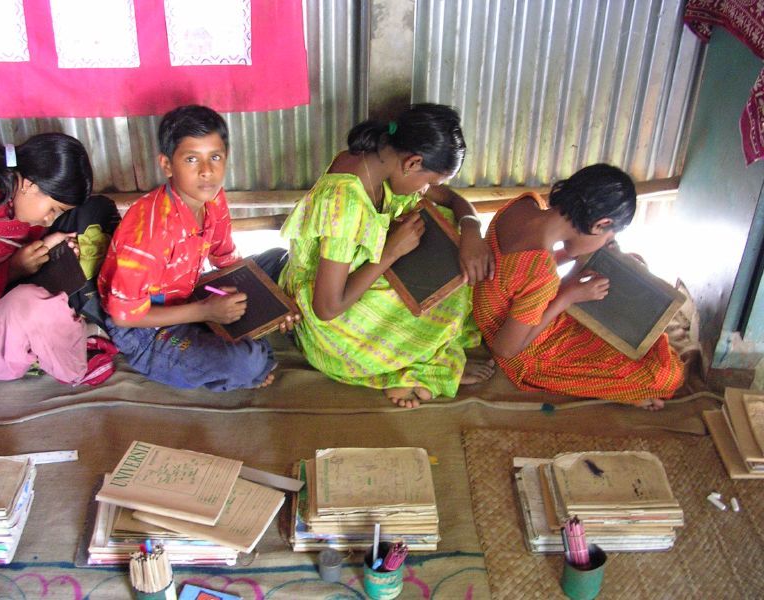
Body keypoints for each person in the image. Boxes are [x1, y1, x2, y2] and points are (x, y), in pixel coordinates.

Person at [279, 103, 496, 408]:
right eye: (429, 181)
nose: (427, 189)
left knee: (453, 250)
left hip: (361, 272)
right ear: (413, 163)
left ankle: (422, 352)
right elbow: (326, 308)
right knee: (444, 289)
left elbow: (451, 200)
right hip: (328, 323)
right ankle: (416, 370)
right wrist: (391, 252)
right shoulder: (347, 202)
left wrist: (472, 229)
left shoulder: (382, 159)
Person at [98, 104, 295, 391]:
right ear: (167, 165)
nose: (206, 171)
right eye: (192, 159)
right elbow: (124, 316)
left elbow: (226, 261)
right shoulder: (149, 234)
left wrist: (274, 306)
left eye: (215, 157)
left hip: (189, 293)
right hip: (146, 328)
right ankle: (241, 353)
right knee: (245, 363)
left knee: (277, 262)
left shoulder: (213, 198)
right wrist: (206, 312)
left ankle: (243, 336)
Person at [472, 163, 685, 410]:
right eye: (609, 236)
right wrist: (566, 296)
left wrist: (574, 266)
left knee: (629, 335)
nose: (607, 242)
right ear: (600, 224)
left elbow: (519, 275)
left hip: (513, 311)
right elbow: (505, 348)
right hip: (522, 347)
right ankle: (628, 393)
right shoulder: (540, 273)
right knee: (666, 375)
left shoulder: (522, 206)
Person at [0, 133, 118, 386]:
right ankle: (68, 351)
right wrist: (13, 270)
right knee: (31, 303)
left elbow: (23, 241)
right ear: (29, 185)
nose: (50, 219)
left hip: (10, 292)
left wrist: (50, 248)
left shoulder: (17, 200)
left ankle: (67, 326)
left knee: (95, 210)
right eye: (53, 209)